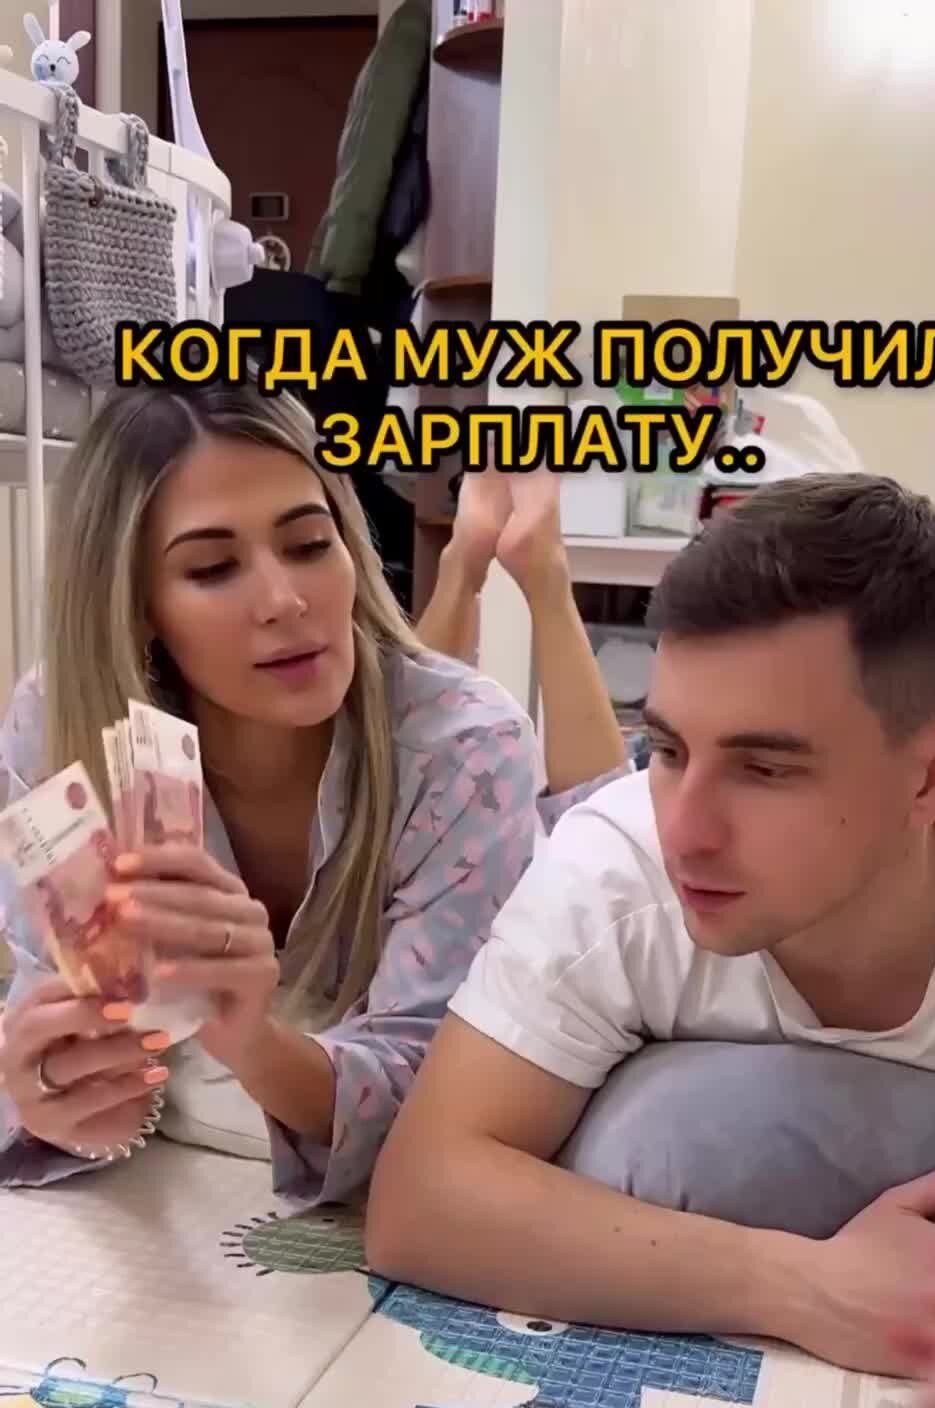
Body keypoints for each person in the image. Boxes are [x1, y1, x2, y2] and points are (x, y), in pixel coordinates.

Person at [367, 471, 935, 1375]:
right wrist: (804, 1286)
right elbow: (419, 1201)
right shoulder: (616, 864)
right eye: (667, 749)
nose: (686, 832)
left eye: (765, 770)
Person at [0, 381, 629, 1203]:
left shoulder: (471, 748)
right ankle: (468, 566)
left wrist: (251, 1041)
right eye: (213, 568)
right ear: (135, 603)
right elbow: (44, 1019)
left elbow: (439, 1102)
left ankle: (530, 570)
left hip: (485, 816)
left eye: (308, 544)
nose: (286, 601)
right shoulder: (64, 723)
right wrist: (56, 1096)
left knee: (599, 835)